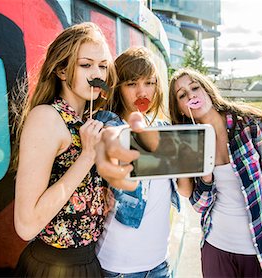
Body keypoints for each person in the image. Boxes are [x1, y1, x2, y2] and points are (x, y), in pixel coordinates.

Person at [12, 22, 129, 277]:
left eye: (102, 66)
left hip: (90, 262)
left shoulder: (90, 121)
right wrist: (87, 157)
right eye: (86, 65)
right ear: (62, 70)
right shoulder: (47, 117)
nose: (97, 74)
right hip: (52, 265)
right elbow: (26, 225)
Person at [168, 68, 262, 278]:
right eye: (182, 95)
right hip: (216, 248)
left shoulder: (250, 126)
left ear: (208, 91)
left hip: (261, 251)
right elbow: (199, 205)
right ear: (181, 109)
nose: (191, 95)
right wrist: (206, 176)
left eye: (195, 87)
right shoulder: (189, 143)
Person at [95, 46, 183, 278]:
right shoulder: (108, 123)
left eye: (149, 83)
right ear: (119, 88)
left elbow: (183, 190)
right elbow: (110, 138)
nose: (141, 92)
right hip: (118, 266)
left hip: (160, 263)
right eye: (131, 84)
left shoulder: (165, 131)